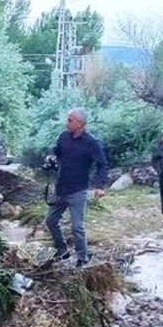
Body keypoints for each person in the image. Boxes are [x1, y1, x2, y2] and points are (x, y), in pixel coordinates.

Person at [45, 107, 109, 267]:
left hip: (78, 191)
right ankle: (63, 252)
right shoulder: (63, 137)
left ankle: (82, 258)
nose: (66, 123)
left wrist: (100, 186)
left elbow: (102, 164)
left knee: (77, 227)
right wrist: (51, 157)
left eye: (70, 120)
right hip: (61, 188)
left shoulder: (91, 143)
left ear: (80, 124)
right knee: (51, 221)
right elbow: (56, 152)